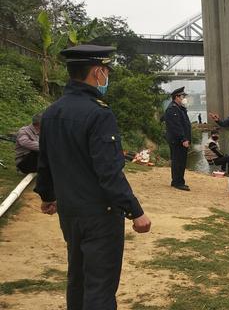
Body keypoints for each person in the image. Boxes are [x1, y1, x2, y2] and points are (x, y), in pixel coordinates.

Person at [34, 44, 151, 310]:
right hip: (100, 215)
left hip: (70, 212)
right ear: (97, 72)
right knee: (100, 285)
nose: (107, 76)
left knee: (77, 278)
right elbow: (109, 173)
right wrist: (135, 212)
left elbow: (45, 162)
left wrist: (48, 196)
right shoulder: (99, 114)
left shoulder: (51, 113)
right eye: (106, 71)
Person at [164, 86, 192, 191]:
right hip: (177, 141)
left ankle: (179, 181)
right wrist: (183, 139)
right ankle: (177, 182)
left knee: (182, 161)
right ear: (177, 97)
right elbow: (176, 127)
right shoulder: (172, 109)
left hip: (181, 140)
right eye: (182, 96)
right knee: (178, 161)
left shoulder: (180, 108)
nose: (184, 98)